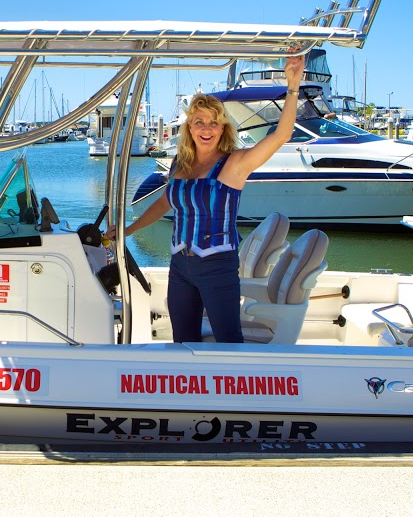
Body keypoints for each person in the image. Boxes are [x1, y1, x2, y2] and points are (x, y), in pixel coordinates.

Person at [105, 54, 305, 343]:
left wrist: (293, 85)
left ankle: (235, 388)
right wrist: (127, 231)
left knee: (228, 341)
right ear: (190, 128)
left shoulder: (235, 163)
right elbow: (165, 203)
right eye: (199, 122)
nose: (206, 129)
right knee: (183, 340)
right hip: (180, 267)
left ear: (223, 128)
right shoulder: (179, 163)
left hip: (217, 266)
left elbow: (282, 135)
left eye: (214, 123)